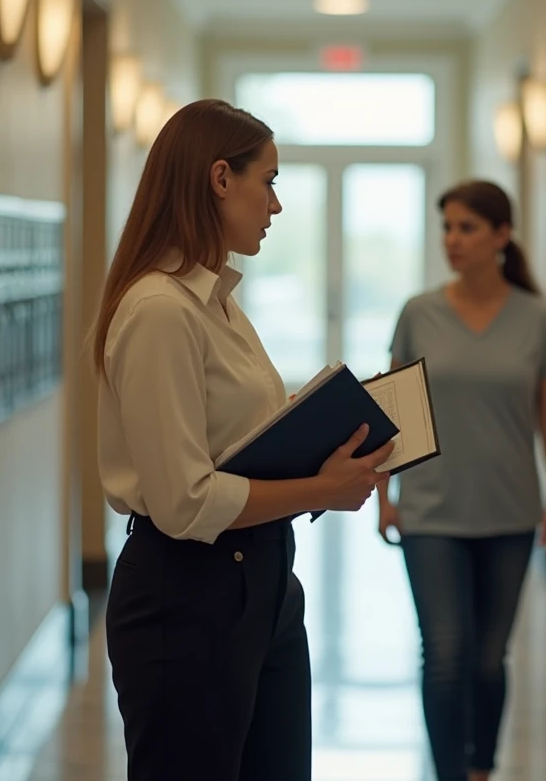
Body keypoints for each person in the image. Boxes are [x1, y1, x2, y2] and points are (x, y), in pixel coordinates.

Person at [93, 98, 395, 781]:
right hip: (187, 594)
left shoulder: (217, 299)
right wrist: (322, 488)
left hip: (262, 581)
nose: (277, 206)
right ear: (220, 178)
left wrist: (310, 424)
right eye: (272, 182)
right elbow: (184, 499)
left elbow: (224, 435)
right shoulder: (160, 311)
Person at [376, 179, 546, 781]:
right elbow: (393, 409)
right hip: (431, 512)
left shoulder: (538, 320)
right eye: (446, 227)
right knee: (443, 654)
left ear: (501, 235)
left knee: (489, 660)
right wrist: (385, 495)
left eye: (466, 228)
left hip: (510, 513)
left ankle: (481, 767)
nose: (452, 240)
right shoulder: (420, 313)